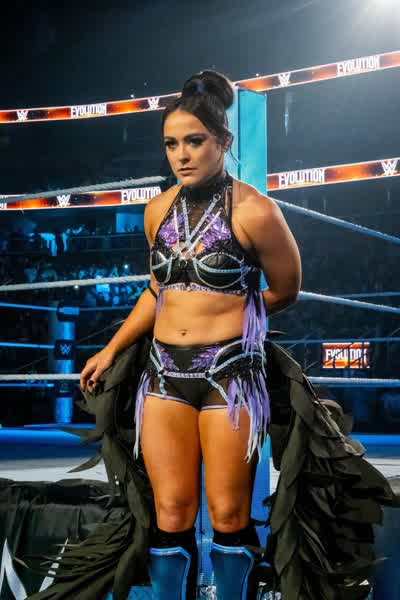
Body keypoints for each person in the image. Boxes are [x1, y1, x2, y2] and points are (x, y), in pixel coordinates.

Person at [80, 69, 301, 599]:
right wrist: (111, 349)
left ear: (223, 141)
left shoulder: (255, 210)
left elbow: (286, 289)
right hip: (163, 374)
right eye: (171, 144)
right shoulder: (156, 210)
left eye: (195, 141)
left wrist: (236, 322)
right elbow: (156, 291)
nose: (181, 155)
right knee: (171, 511)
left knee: (228, 513)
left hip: (230, 374)